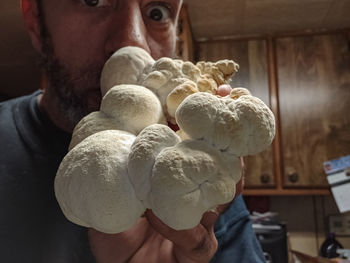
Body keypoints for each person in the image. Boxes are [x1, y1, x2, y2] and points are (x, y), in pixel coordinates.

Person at [0, 0, 266, 262]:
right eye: (93, 1)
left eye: (157, 12)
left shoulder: (196, 174)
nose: (133, 42)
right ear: (36, 20)